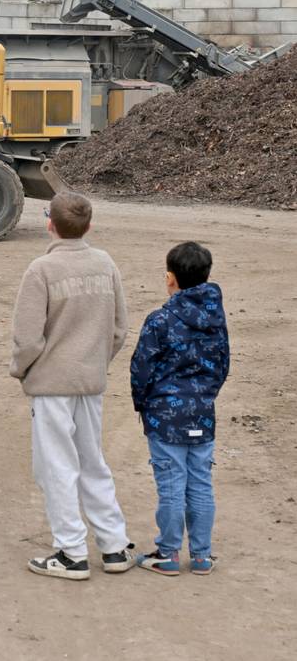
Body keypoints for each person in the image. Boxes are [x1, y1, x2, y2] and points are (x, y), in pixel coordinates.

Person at [10, 192, 134, 581]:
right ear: (89, 225)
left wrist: (22, 371)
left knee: (56, 467)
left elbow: (27, 338)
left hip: (51, 383)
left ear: (50, 223)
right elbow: (119, 328)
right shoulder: (105, 264)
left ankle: (71, 551)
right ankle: (114, 545)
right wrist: (97, 361)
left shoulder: (41, 270)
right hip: (89, 381)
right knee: (92, 460)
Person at [130, 241, 230, 576]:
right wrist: (207, 395)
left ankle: (169, 553)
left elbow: (141, 367)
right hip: (203, 411)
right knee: (200, 481)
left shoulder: (160, 320)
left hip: (165, 418)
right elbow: (222, 363)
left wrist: (143, 403)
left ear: (169, 278)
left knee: (172, 483)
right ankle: (201, 555)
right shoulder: (216, 320)